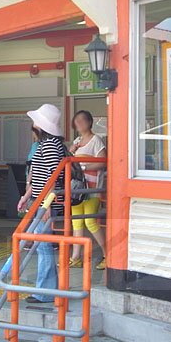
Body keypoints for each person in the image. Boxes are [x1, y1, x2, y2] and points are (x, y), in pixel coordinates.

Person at [0, 103, 65, 304]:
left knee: (42, 246)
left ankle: (44, 292)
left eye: (36, 120)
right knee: (40, 244)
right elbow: (40, 177)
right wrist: (26, 196)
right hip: (40, 201)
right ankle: (46, 290)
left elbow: (53, 177)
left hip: (45, 203)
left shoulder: (51, 145)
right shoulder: (47, 144)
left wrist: (47, 204)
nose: (33, 123)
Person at [69, 110, 107, 270]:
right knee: (77, 222)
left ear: (90, 122)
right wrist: (72, 149)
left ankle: (108, 255)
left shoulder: (96, 140)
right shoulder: (77, 141)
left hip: (92, 189)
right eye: (76, 120)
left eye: (82, 120)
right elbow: (69, 162)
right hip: (78, 189)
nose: (78, 123)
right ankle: (75, 257)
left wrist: (84, 166)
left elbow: (103, 162)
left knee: (90, 222)